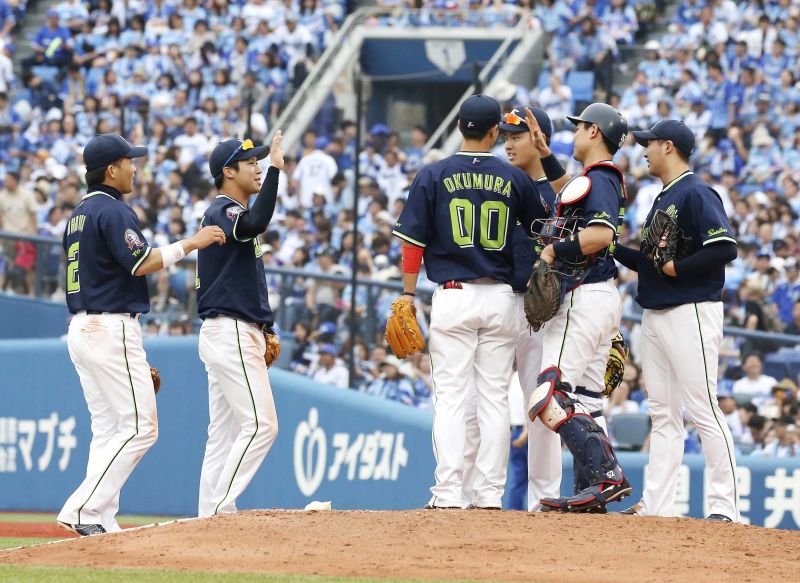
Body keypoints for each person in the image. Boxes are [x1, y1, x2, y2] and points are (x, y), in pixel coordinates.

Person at [57, 134, 226, 536]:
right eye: (129, 161)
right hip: (110, 325)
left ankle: (99, 516)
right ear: (111, 170)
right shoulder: (113, 211)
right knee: (140, 426)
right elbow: (142, 263)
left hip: (83, 327)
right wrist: (193, 242)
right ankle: (83, 508)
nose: (136, 166)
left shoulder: (78, 214)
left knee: (109, 427)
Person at [391, 94, 549, 509]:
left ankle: (447, 493)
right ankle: (488, 495)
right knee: (495, 398)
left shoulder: (433, 173)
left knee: (451, 399)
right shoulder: (513, 178)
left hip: (454, 297)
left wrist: (408, 294)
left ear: (461, 126)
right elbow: (541, 229)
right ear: (496, 131)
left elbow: (413, 243)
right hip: (499, 297)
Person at [614, 120, 739, 522]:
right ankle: (657, 505)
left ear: (668, 146)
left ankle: (724, 507)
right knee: (663, 415)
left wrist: (677, 269)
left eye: (649, 144)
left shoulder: (696, 191)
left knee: (703, 408)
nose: (644, 150)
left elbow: (724, 247)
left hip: (692, 310)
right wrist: (610, 246)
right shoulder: (663, 196)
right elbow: (652, 262)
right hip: (656, 313)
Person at [527, 102, 632, 513]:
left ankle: (607, 477)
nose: (572, 134)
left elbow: (600, 234)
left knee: (549, 395)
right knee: (585, 401)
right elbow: (573, 194)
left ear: (593, 132)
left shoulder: (602, 177)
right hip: (600, 295)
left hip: (584, 296)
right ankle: (593, 495)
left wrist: (553, 251)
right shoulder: (595, 180)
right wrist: (546, 154)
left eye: (578, 127)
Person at [195, 133, 284, 517]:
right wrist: (279, 168)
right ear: (227, 172)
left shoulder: (228, 211)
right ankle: (219, 508)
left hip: (229, 329)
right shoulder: (223, 210)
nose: (258, 165)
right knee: (262, 425)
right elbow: (257, 220)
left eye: (261, 161)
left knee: (224, 435)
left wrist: (264, 326)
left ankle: (204, 518)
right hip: (229, 331)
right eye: (249, 162)